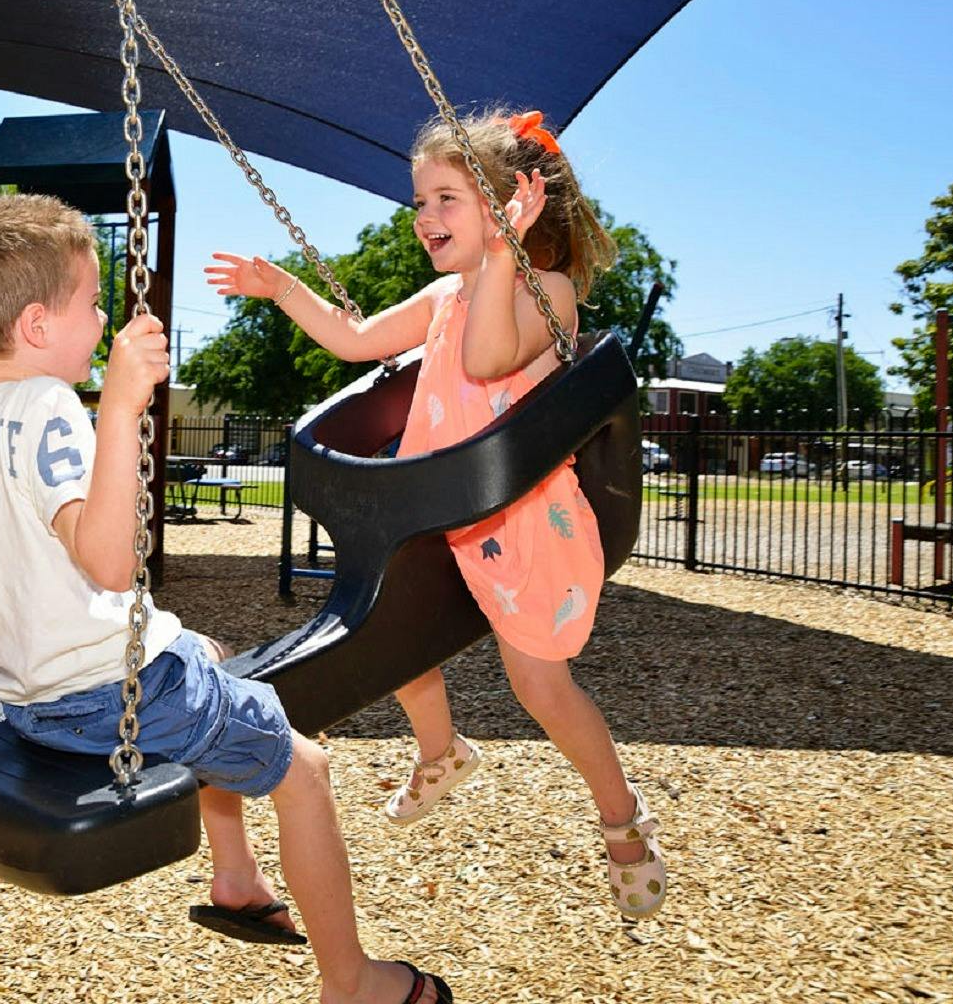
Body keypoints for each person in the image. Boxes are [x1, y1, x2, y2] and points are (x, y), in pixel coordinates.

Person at [0, 194, 451, 1004]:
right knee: (305, 770)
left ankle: (235, 876)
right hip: (106, 693)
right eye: (91, 304)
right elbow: (109, 564)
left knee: (208, 655)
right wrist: (123, 406)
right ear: (35, 327)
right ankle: (352, 981)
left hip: (25, 696)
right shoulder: (51, 409)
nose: (101, 322)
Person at [207, 109, 666, 919]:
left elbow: (491, 358)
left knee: (541, 689)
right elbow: (356, 339)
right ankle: (440, 749)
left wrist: (501, 261)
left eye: (447, 199)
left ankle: (622, 817)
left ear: (510, 205)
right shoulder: (449, 294)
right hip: (442, 513)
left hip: (521, 519)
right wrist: (281, 288)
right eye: (420, 202)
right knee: (385, 634)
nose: (425, 219)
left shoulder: (543, 287)